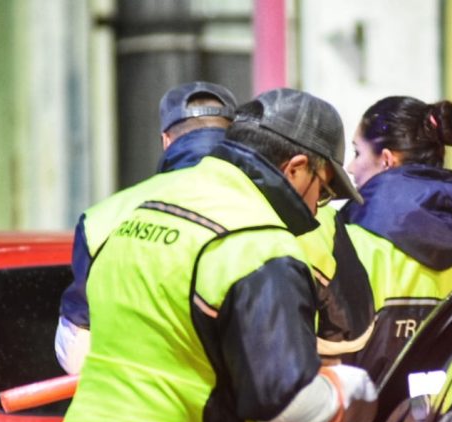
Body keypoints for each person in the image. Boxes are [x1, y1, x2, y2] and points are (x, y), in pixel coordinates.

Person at [28, 88, 379, 422]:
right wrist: (354, 394)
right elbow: (287, 404)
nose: (321, 206)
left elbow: (82, 346)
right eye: (326, 187)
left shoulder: (132, 211)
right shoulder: (257, 245)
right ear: (297, 168)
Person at [56, 82, 373, 377]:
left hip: (118, 409)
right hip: (257, 409)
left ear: (166, 141)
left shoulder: (105, 217)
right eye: (324, 191)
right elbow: (347, 338)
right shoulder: (301, 219)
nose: (318, 204)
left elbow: (76, 353)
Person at [339, 95, 452, 380]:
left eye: (357, 153)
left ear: (387, 160)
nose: (351, 168)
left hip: (371, 408)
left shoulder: (346, 245)